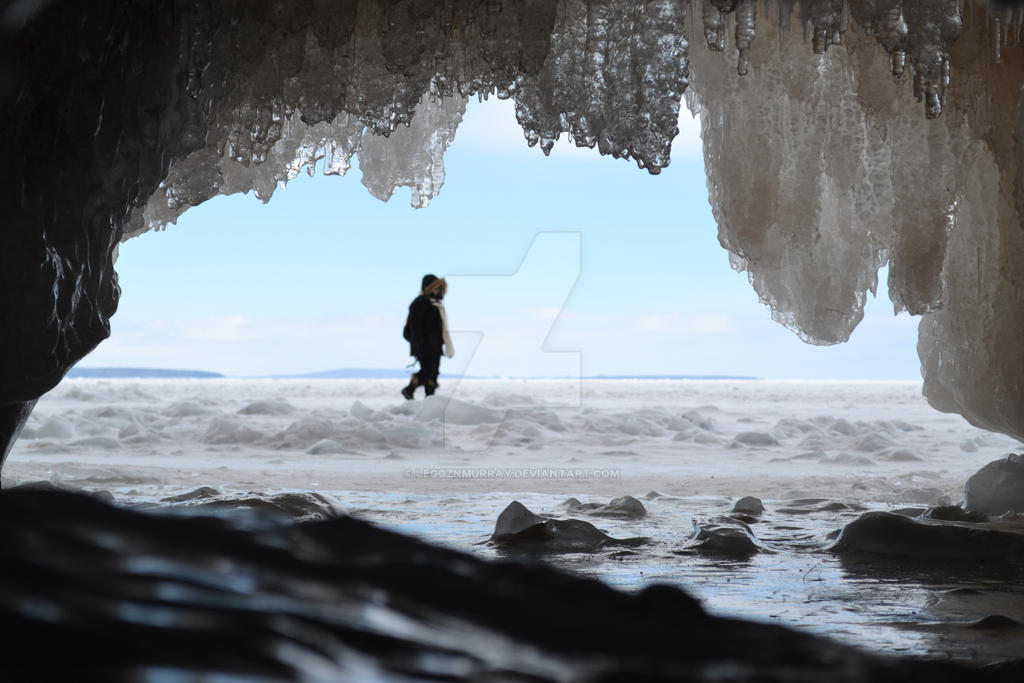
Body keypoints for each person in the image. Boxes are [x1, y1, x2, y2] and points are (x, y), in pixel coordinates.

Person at [402, 274, 454, 399]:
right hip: (423, 344)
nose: (436, 290)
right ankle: (409, 390)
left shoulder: (437, 305)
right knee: (428, 370)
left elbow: (440, 328)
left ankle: (430, 399)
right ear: (427, 288)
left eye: (438, 288)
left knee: (434, 373)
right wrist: (419, 342)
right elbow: (415, 325)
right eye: (434, 288)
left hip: (435, 345)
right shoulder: (420, 303)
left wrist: (444, 342)